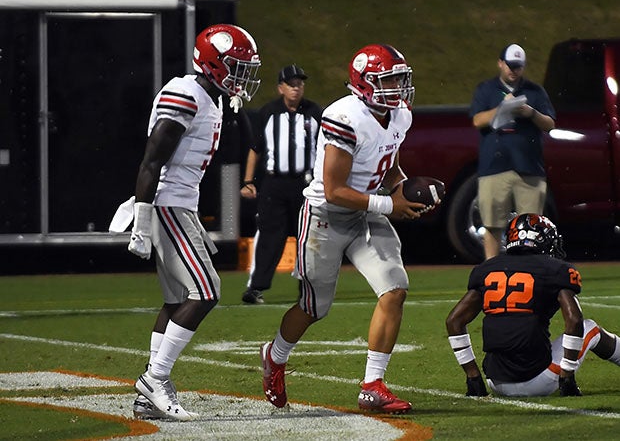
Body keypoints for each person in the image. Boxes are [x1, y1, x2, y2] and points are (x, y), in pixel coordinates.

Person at [260, 44, 425, 413]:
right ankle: (275, 356)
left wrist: (405, 189)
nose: (398, 86)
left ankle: (373, 384)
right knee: (314, 307)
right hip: (325, 215)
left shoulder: (398, 115)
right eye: (389, 80)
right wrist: (389, 204)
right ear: (365, 84)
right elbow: (334, 190)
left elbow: (389, 162)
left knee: (395, 289)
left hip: (366, 211)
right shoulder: (344, 116)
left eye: (400, 78)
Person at [127, 24, 261, 421]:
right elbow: (152, 160)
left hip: (179, 204)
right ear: (213, 62)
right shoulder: (186, 93)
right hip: (167, 203)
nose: (241, 77)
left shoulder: (211, 97)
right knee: (205, 291)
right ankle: (155, 378)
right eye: (235, 67)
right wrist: (142, 219)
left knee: (175, 300)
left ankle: (146, 397)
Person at [446, 213, 620, 397]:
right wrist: (567, 376)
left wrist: (473, 377)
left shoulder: (486, 269)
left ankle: (473, 381)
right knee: (589, 327)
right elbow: (575, 320)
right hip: (538, 380)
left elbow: (454, 321)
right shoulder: (555, 269)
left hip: (495, 381)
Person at [240, 64, 322, 305]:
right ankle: (256, 288)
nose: (297, 89)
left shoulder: (315, 112)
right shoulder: (268, 113)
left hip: (306, 183)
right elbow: (255, 149)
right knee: (269, 237)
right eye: (291, 84)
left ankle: (307, 289)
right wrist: (248, 181)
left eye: (300, 84)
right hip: (274, 183)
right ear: (280, 88)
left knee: (308, 237)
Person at [470, 44, 556, 259]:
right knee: (492, 224)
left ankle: (531, 271)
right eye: (509, 65)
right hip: (495, 166)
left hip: (528, 167)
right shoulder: (486, 89)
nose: (513, 71)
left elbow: (549, 124)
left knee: (532, 227)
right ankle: (491, 271)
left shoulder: (535, 91)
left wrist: (531, 113)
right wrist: (501, 109)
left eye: (517, 67)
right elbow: (477, 120)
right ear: (500, 63)